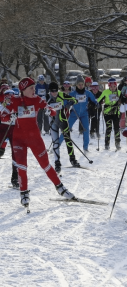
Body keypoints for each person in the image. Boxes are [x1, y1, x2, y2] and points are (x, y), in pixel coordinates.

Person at [0, 77, 76, 207]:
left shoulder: (37, 99)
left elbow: (51, 110)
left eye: (34, 87)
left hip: (34, 138)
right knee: (21, 167)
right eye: (31, 88)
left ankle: (60, 187)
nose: (34, 90)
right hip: (19, 139)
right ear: (23, 90)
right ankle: (24, 193)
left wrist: (48, 110)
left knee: (45, 164)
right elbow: (3, 116)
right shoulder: (14, 100)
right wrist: (10, 116)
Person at [47, 82, 80, 172]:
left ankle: (72, 159)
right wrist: (45, 110)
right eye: (52, 91)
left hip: (62, 121)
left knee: (68, 140)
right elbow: (39, 107)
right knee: (56, 143)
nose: (54, 93)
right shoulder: (46, 98)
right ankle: (57, 163)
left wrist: (71, 102)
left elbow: (75, 99)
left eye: (56, 91)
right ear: (49, 91)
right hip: (53, 122)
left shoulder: (61, 94)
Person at [65, 75, 98, 152]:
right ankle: (57, 146)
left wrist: (96, 103)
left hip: (84, 114)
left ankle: (85, 148)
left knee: (86, 130)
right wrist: (67, 104)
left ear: (84, 85)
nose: (80, 86)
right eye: (79, 84)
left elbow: (94, 100)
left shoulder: (87, 93)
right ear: (76, 85)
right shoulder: (72, 93)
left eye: (82, 84)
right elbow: (65, 100)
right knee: (66, 129)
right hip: (74, 113)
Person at [0, 87, 19, 188]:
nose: (9, 101)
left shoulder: (17, 106)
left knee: (15, 154)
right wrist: (8, 117)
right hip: (2, 129)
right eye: (7, 98)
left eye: (11, 98)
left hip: (13, 130)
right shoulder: (1, 106)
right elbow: (1, 116)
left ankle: (15, 178)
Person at [97, 78, 121, 150]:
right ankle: (107, 144)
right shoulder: (105, 92)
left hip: (116, 112)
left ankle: (117, 144)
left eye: (114, 86)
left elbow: (123, 100)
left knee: (117, 128)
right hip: (107, 113)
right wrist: (97, 104)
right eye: (111, 86)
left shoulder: (119, 92)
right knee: (109, 128)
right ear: (109, 86)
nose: (113, 88)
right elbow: (99, 100)